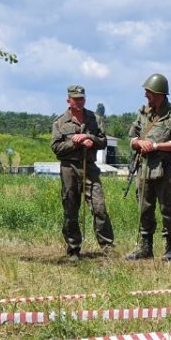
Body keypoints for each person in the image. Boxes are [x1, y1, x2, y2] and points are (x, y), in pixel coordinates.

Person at [126, 73, 171, 261]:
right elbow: (132, 137)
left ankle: (170, 249)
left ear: (159, 93)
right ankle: (146, 248)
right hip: (143, 167)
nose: (146, 96)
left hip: (166, 168)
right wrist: (138, 143)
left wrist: (155, 146)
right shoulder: (143, 112)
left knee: (167, 209)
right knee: (144, 207)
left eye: (149, 92)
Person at [51, 84, 114, 258]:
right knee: (71, 208)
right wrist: (75, 142)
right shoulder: (60, 122)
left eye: (82, 99)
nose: (79, 102)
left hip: (90, 167)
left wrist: (89, 138)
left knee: (99, 206)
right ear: (68, 100)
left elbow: (103, 141)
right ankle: (73, 248)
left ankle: (107, 247)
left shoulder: (95, 118)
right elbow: (56, 147)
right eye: (76, 99)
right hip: (69, 168)